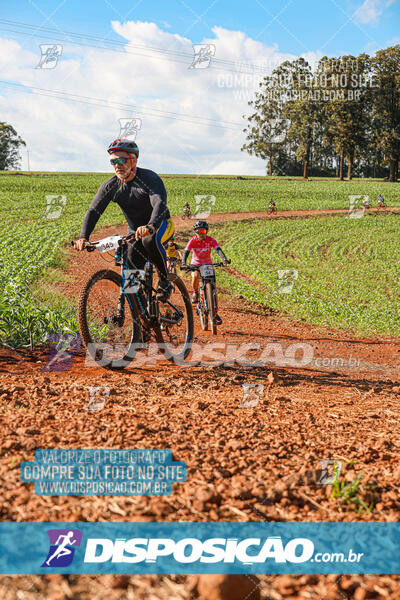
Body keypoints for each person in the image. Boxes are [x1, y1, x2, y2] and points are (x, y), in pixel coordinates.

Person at [74, 139, 174, 300]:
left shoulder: (149, 178)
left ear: (134, 160)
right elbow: (94, 210)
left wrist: (151, 226)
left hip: (161, 224)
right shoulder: (111, 186)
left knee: (149, 241)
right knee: (131, 277)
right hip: (135, 232)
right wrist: (83, 236)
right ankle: (140, 312)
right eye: (113, 161)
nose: (117, 165)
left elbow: (159, 203)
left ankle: (165, 281)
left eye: (122, 160)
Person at [182, 220, 229, 325]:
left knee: (213, 288)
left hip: (208, 264)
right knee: (195, 276)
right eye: (199, 232)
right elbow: (186, 252)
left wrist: (224, 259)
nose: (201, 234)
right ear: (195, 232)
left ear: (206, 231)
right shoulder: (192, 241)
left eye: (203, 231)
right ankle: (196, 292)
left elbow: (218, 249)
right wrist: (184, 263)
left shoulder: (211, 240)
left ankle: (214, 312)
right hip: (196, 264)